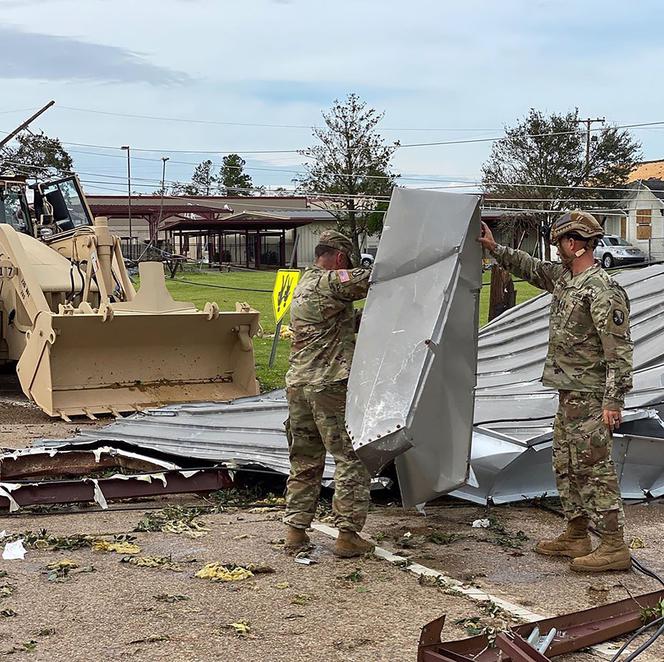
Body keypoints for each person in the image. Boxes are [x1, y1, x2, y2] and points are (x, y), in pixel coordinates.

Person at [478, 211, 633, 572]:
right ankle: (577, 534)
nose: (557, 250)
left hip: (593, 398)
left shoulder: (601, 290)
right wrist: (494, 248)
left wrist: (613, 401)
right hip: (570, 395)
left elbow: (619, 351)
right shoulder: (567, 279)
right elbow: (532, 268)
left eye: (560, 243)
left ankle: (614, 545)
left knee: (595, 470)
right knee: (566, 465)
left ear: (573, 243)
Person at [283, 230, 375, 558]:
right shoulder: (332, 281)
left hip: (298, 384)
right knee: (351, 456)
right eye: (346, 262)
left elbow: (335, 325)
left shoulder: (305, 284)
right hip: (328, 384)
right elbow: (373, 279)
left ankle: (295, 531)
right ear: (339, 259)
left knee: (305, 459)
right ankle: (348, 535)